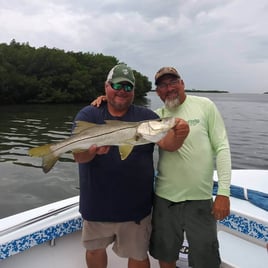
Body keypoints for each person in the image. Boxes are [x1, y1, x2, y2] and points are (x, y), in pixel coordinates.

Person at [72, 64, 189, 268]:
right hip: (96, 204)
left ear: (134, 91)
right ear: (106, 86)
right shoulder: (89, 114)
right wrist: (90, 152)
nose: (122, 91)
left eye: (128, 87)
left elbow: (168, 145)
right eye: (117, 85)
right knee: (94, 250)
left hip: (136, 208)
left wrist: (179, 134)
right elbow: (79, 157)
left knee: (138, 255)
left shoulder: (147, 117)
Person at [149, 67, 232, 268]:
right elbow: (127, 124)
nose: (169, 88)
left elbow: (222, 147)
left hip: (201, 198)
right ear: (157, 92)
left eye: (173, 82)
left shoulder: (205, 105)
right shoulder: (156, 116)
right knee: (165, 255)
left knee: (206, 259)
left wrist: (223, 192)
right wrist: (104, 101)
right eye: (162, 85)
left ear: (182, 83)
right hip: (164, 198)